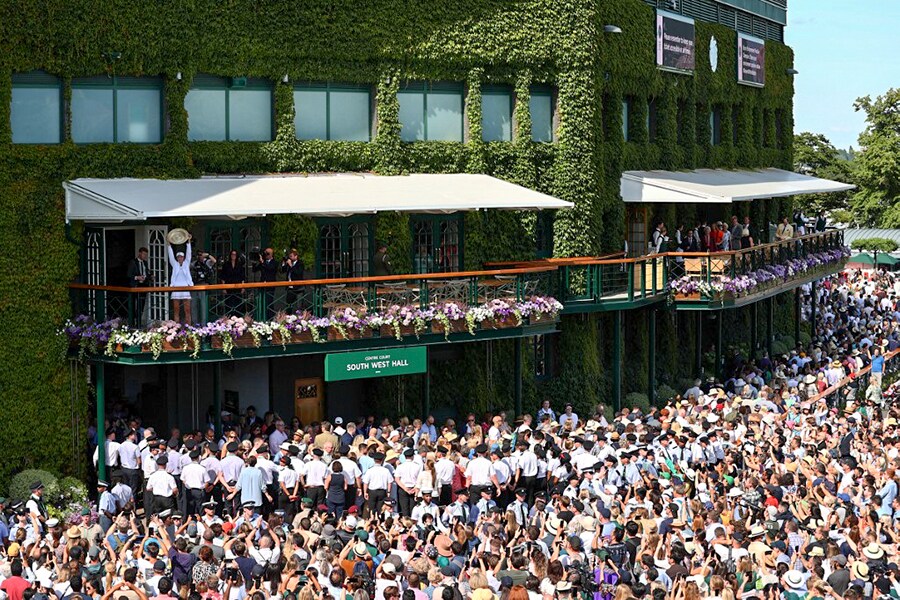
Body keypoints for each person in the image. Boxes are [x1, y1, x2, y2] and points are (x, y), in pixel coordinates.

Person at [167, 237, 194, 323]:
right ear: (177, 258)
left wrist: (188, 241)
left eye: (181, 257)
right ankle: (176, 328)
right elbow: (170, 254)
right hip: (176, 288)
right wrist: (168, 243)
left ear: (183, 257)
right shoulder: (174, 264)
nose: (180, 258)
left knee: (187, 310)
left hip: (186, 288)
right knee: (176, 310)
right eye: (178, 257)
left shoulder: (186, 263)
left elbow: (189, 253)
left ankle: (188, 328)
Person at [126, 246, 152, 326]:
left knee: (141, 304)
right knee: (134, 304)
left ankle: (139, 322)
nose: (145, 256)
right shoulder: (133, 262)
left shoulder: (145, 263)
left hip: (144, 286)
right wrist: (137, 277)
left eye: (146, 255)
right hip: (135, 286)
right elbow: (129, 275)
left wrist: (150, 276)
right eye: (143, 254)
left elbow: (146, 273)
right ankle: (132, 322)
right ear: (139, 253)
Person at [252, 248, 278, 319]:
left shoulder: (274, 262)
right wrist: (254, 261)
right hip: (262, 284)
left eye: (268, 253)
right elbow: (254, 270)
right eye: (265, 253)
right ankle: (261, 317)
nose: (266, 255)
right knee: (261, 301)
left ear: (272, 255)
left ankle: (270, 318)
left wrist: (263, 262)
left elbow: (270, 269)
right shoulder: (263, 263)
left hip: (270, 285)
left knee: (269, 302)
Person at [219, 250, 246, 316]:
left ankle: (238, 318)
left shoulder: (240, 265)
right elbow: (223, 277)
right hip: (228, 287)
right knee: (229, 303)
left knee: (238, 303)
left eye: (235, 255)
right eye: (232, 254)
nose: (233, 256)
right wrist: (224, 287)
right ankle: (229, 317)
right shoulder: (226, 265)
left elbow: (242, 277)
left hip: (238, 287)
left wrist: (243, 287)